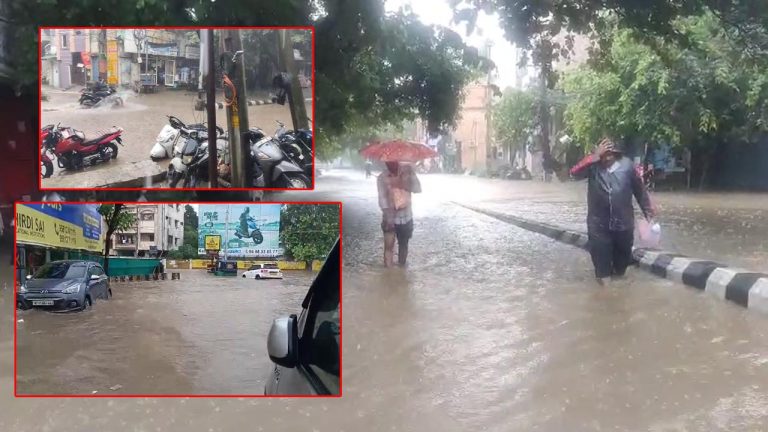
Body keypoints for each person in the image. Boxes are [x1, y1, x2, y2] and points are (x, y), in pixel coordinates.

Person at [570, 138, 655, 285]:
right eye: (604, 154)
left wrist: (648, 212)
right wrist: (594, 156)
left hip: (624, 226)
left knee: (620, 269)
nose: (607, 157)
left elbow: (640, 191)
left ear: (617, 154)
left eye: (611, 154)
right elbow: (574, 173)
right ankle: (606, 296)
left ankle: (617, 299)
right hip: (598, 227)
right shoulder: (593, 166)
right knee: (602, 271)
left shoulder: (627, 166)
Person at [377, 161, 421, 267]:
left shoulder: (408, 173)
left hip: (406, 216)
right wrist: (389, 218)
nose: (390, 163)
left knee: (403, 245)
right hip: (389, 218)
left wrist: (409, 178)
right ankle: (389, 276)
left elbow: (418, 189)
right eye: (388, 162)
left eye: (392, 161)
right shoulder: (382, 177)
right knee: (388, 247)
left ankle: (401, 270)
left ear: (397, 161)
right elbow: (382, 199)